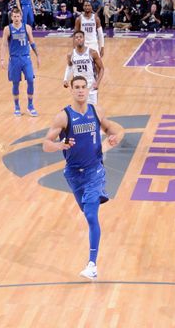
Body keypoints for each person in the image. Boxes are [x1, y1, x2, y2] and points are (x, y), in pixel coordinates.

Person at [42, 75, 124, 280]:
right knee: (85, 211)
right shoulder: (63, 117)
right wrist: (60, 145)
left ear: (88, 90)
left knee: (90, 216)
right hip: (73, 173)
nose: (80, 90)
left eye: (83, 87)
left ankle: (92, 264)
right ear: (71, 90)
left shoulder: (96, 111)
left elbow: (115, 130)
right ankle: (92, 261)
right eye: (76, 87)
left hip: (95, 171)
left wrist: (114, 137)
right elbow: (46, 144)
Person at [0, 7, 40, 117]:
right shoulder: (7, 29)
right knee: (15, 83)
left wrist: (38, 56)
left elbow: (32, 42)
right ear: (11, 17)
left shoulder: (27, 28)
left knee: (31, 80)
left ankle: (30, 106)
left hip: (26, 58)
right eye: (14, 16)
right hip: (14, 59)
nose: (16, 18)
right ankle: (17, 107)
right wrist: (2, 59)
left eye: (18, 16)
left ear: (21, 17)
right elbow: (4, 44)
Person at [64, 30, 104, 104]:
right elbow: (69, 67)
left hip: (91, 85)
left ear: (84, 38)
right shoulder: (70, 54)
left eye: (80, 37)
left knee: (92, 110)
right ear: (74, 40)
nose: (79, 38)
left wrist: (98, 83)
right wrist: (65, 79)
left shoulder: (92, 52)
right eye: (76, 37)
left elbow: (101, 68)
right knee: (79, 109)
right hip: (78, 85)